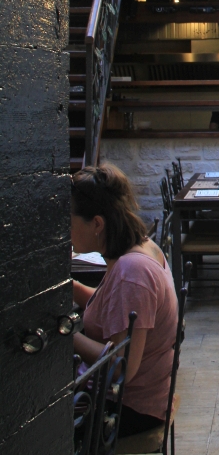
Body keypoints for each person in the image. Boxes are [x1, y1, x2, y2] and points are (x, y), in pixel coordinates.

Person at [71, 164, 178, 439]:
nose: (65, 231)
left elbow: (122, 366)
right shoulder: (140, 247)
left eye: (69, 221)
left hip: (130, 409)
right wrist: (71, 288)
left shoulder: (132, 271)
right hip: (130, 398)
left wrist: (68, 337)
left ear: (97, 224)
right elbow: (111, 306)